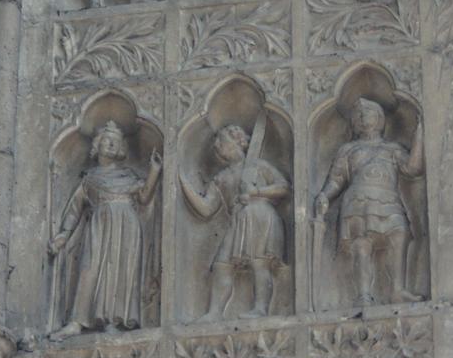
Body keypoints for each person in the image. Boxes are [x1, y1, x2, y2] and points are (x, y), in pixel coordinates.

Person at [49, 121, 162, 338]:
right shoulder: (89, 179)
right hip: (99, 226)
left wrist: (155, 171)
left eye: (115, 142)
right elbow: (74, 209)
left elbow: (145, 196)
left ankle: (113, 320)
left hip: (127, 225)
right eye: (107, 140)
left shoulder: (128, 176)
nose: (111, 144)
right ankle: (76, 322)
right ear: (97, 145)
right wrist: (63, 235)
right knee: (88, 269)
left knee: (119, 270)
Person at [314, 98, 424, 308]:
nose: (365, 119)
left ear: (380, 119)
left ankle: (397, 290)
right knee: (361, 244)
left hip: (387, 198)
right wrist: (324, 196)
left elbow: (413, 169)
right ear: (355, 123)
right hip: (357, 200)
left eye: (370, 114)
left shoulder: (392, 148)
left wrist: (419, 135)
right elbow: (337, 179)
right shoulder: (348, 150)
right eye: (360, 116)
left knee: (399, 233)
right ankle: (364, 294)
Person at [179, 122, 289, 320]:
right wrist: (182, 182)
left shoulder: (259, 166)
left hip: (260, 214)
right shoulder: (221, 177)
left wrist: (256, 191)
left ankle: (260, 308)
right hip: (237, 219)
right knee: (222, 264)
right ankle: (214, 312)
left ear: (237, 141)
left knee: (259, 263)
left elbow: (283, 187)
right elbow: (206, 209)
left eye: (222, 140)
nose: (217, 146)